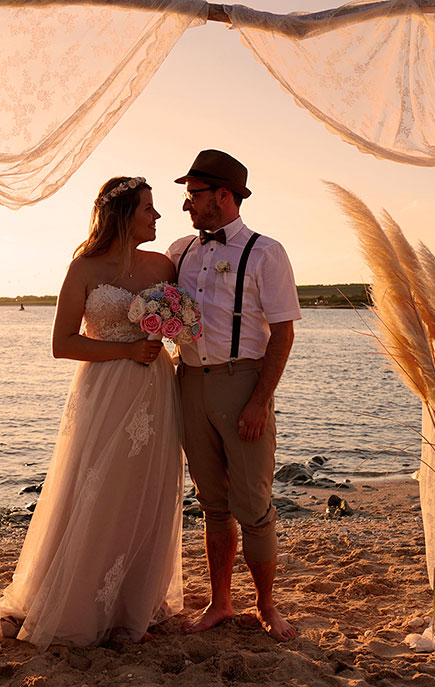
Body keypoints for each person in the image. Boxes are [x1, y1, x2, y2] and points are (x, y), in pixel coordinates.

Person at [0, 176, 184, 648]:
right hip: (105, 389)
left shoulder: (164, 265)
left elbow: (186, 322)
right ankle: (75, 603)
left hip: (156, 390)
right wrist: (127, 350)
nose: (157, 217)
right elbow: (63, 344)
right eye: (148, 209)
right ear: (122, 215)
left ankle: (131, 606)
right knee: (95, 488)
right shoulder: (84, 268)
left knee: (148, 490)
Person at [167, 150, 301, 642]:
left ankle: (268, 606)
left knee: (254, 503)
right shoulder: (180, 251)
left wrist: (260, 401)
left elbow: (283, 334)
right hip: (188, 382)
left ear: (223, 196)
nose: (187, 206)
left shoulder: (266, 252)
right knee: (211, 503)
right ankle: (219, 602)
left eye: (193, 196)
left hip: (243, 381)